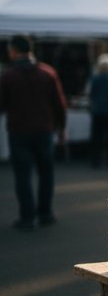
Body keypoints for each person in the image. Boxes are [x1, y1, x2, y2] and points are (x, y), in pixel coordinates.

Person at [0, 36, 68, 230]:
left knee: (23, 176)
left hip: (19, 131)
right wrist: (61, 130)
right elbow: (60, 105)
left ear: (13, 50)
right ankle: (45, 213)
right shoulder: (47, 73)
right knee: (46, 173)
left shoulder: (8, 76)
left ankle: (27, 216)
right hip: (44, 130)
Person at [86, 53, 108, 168]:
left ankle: (96, 159)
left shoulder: (94, 79)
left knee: (97, 137)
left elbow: (89, 94)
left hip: (98, 112)